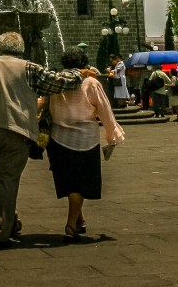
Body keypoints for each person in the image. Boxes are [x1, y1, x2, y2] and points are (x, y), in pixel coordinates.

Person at [0, 32, 83, 250]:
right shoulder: (29, 67)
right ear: (21, 48)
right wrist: (78, 73)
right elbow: (58, 83)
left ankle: (9, 221)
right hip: (15, 130)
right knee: (7, 180)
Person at [47, 48, 125, 242]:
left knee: (69, 181)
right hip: (85, 140)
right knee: (79, 185)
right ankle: (70, 225)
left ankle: (79, 218)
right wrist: (112, 134)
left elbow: (45, 106)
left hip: (58, 139)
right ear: (84, 63)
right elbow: (105, 111)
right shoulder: (91, 83)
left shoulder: (56, 82)